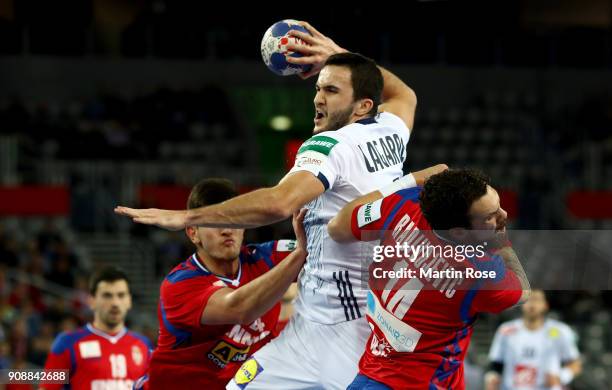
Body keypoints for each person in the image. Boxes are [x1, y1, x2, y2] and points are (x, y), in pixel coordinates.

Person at [116, 21, 417, 390]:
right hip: (316, 327)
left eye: (332, 90)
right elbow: (405, 94)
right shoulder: (390, 130)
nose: (317, 98)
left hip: (340, 329)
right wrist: (336, 54)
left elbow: (279, 202)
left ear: (361, 107)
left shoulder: (329, 146)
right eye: (319, 88)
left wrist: (187, 216)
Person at [327, 168, 531, 389]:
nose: (505, 215)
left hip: (374, 370)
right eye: (491, 216)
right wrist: (502, 245)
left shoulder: (404, 202)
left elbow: (337, 228)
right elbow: (523, 291)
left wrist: (409, 180)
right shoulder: (482, 273)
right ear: (459, 232)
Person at [134, 178, 307, 390]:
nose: (227, 230)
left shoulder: (265, 256)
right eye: (215, 223)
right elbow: (241, 308)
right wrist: (299, 255)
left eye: (234, 220)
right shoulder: (178, 284)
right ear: (193, 233)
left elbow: (324, 248)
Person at [42, 267, 152, 390]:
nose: (115, 303)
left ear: (129, 301)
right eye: (107, 295)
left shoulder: (144, 345)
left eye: (121, 295)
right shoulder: (67, 343)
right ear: (92, 301)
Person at [484, 289, 582, 390]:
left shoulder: (559, 331)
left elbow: (575, 363)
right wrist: (491, 378)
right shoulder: (506, 330)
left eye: (537, 300)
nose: (532, 304)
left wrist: (562, 376)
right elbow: (495, 363)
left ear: (545, 305)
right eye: (528, 300)